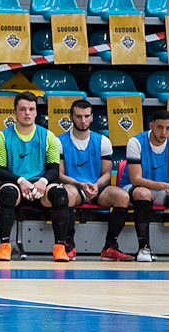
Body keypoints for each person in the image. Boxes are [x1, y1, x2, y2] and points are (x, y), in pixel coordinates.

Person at [0, 91, 71, 262]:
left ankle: (60, 248)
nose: (27, 113)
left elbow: (54, 170)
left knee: (60, 194)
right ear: (15, 112)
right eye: (23, 109)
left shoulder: (48, 136)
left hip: (40, 186)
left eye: (31, 109)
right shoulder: (2, 136)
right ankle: (5, 247)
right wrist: (20, 181)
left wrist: (43, 181)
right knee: (8, 193)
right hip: (13, 182)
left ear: (36, 112)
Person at [57, 100, 133, 261]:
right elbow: (60, 175)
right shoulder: (59, 141)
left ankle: (110, 247)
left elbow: (106, 174)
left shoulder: (103, 141)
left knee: (122, 196)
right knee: (66, 194)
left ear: (92, 117)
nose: (82, 121)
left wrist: (96, 185)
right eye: (78, 116)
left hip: (96, 187)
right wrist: (81, 185)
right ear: (71, 117)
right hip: (74, 186)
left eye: (86, 116)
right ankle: (69, 246)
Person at [119, 109, 169, 262]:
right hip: (132, 188)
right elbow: (136, 179)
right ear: (151, 125)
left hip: (161, 189)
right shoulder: (135, 142)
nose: (164, 133)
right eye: (160, 127)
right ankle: (144, 248)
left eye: (168, 128)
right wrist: (164, 185)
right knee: (143, 193)